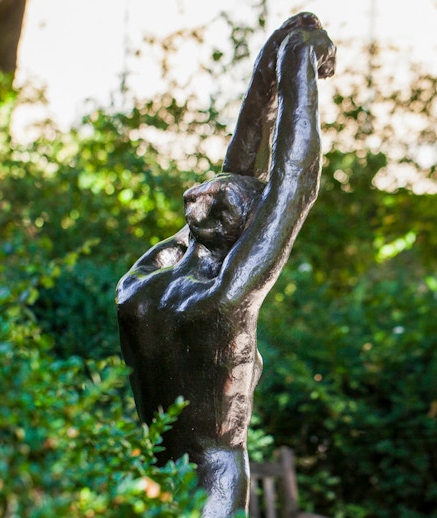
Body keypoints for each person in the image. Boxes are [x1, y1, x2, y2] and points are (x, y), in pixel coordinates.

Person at [116, 12, 335, 517]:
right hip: (214, 479)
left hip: (154, 472)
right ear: (245, 234)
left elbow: (233, 178)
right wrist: (299, 56)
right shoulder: (224, 300)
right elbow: (293, 179)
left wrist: (269, 65)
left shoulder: (139, 288)